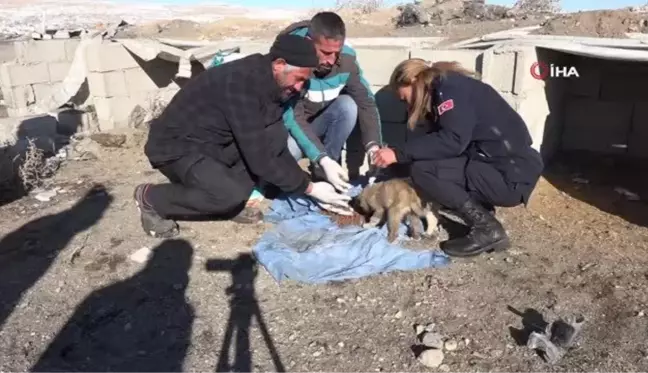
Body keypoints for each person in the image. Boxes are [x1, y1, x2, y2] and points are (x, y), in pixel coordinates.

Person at [134, 34, 353, 239]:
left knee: (273, 141)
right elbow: (260, 159)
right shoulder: (240, 84)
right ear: (279, 64)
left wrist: (320, 165)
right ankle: (151, 198)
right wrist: (311, 188)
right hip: (177, 147)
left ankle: (228, 201)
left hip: (215, 144)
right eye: (298, 79)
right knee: (227, 195)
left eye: (304, 81)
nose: (299, 87)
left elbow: (273, 147)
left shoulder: (275, 85)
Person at [373, 59, 544, 257]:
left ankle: (487, 229)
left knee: (425, 171)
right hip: (506, 169)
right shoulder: (445, 88)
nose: (406, 104)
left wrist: (397, 154)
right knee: (428, 170)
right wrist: (397, 166)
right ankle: (484, 212)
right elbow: (432, 144)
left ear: (412, 80)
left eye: (403, 98)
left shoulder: (450, 91)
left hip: (509, 177)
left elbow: (452, 141)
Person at [275, 11, 383, 193]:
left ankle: (325, 172)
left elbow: (366, 102)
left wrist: (373, 147)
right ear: (309, 43)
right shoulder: (290, 59)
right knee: (287, 154)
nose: (332, 60)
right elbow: (293, 116)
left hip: (318, 123)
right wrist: (321, 157)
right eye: (325, 53)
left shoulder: (346, 60)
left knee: (347, 105)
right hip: (289, 127)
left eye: (336, 53)